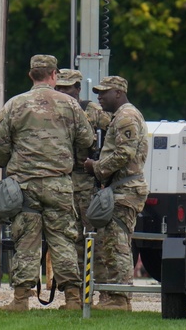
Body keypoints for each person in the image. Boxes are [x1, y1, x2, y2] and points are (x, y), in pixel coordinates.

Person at [0, 55, 94, 311]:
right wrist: (74, 159)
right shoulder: (70, 104)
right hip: (59, 183)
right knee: (63, 239)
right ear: (54, 75)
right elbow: (86, 140)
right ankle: (72, 298)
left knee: (26, 240)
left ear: (31, 75)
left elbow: (0, 148)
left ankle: (19, 300)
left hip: (24, 186)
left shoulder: (14, 105)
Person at [83, 76, 149, 311]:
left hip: (125, 189)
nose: (99, 97)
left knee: (117, 242)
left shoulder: (126, 117)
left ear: (119, 93)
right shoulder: (120, 116)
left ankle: (120, 298)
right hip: (119, 188)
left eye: (104, 92)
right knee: (108, 241)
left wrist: (96, 166)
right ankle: (111, 296)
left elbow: (124, 153)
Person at [55, 69, 111, 303]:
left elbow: (111, 131)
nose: (64, 93)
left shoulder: (92, 110)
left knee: (94, 238)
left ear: (78, 89)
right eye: (59, 88)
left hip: (87, 181)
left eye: (68, 89)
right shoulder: (52, 110)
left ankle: (104, 291)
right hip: (62, 180)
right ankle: (74, 293)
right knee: (69, 239)